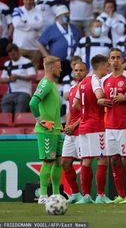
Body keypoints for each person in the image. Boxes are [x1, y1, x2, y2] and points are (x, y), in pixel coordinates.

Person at [101, 48, 126, 204]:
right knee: (114, 160)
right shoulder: (105, 80)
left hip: (125, 125)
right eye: (112, 58)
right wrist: (101, 101)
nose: (115, 60)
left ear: (122, 60)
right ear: (109, 61)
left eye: (118, 57)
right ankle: (121, 195)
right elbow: (100, 98)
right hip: (109, 125)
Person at [74, 54, 112, 204]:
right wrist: (101, 101)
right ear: (101, 66)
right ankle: (101, 195)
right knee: (103, 159)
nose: (107, 69)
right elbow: (99, 95)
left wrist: (86, 111)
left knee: (86, 160)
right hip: (96, 126)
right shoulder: (96, 80)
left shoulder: (83, 82)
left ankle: (86, 196)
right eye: (106, 66)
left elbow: (76, 103)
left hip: (83, 126)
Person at [29, 56, 63, 204]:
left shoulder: (52, 84)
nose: (61, 69)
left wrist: (59, 124)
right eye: (59, 66)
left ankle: (56, 194)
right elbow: (33, 102)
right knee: (48, 161)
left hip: (55, 130)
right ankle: (43, 195)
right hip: (46, 131)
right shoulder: (45, 84)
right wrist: (39, 120)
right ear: (51, 68)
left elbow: (52, 108)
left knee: (58, 162)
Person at [62, 61, 88, 204]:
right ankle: (76, 193)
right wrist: (67, 125)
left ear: (86, 71)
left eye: (81, 70)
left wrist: (74, 126)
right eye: (76, 70)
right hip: (71, 131)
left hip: (82, 131)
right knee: (65, 162)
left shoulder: (87, 88)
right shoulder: (72, 89)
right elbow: (71, 111)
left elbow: (87, 112)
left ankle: (86, 195)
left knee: (85, 163)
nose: (78, 73)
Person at [37, 5, 81, 81]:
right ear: (57, 17)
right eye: (64, 15)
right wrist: (47, 57)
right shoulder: (51, 29)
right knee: (57, 84)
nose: (66, 16)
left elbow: (80, 43)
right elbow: (40, 44)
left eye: (67, 14)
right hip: (57, 63)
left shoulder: (75, 28)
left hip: (72, 63)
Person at [0, 43, 36, 114]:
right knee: (5, 102)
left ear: (18, 51)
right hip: (10, 93)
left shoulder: (27, 62)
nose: (12, 56)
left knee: (20, 108)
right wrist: (10, 79)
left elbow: (32, 77)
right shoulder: (7, 64)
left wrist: (19, 77)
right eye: (10, 55)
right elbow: (1, 80)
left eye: (14, 54)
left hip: (24, 92)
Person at [12, 0, 43, 69]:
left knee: (33, 72)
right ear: (23, 0)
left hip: (35, 48)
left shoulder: (38, 11)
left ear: (33, 0)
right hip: (20, 47)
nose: (28, 2)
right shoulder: (17, 10)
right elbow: (16, 24)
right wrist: (32, 26)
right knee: (18, 70)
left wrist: (25, 24)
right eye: (26, 0)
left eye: (30, 0)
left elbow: (40, 25)